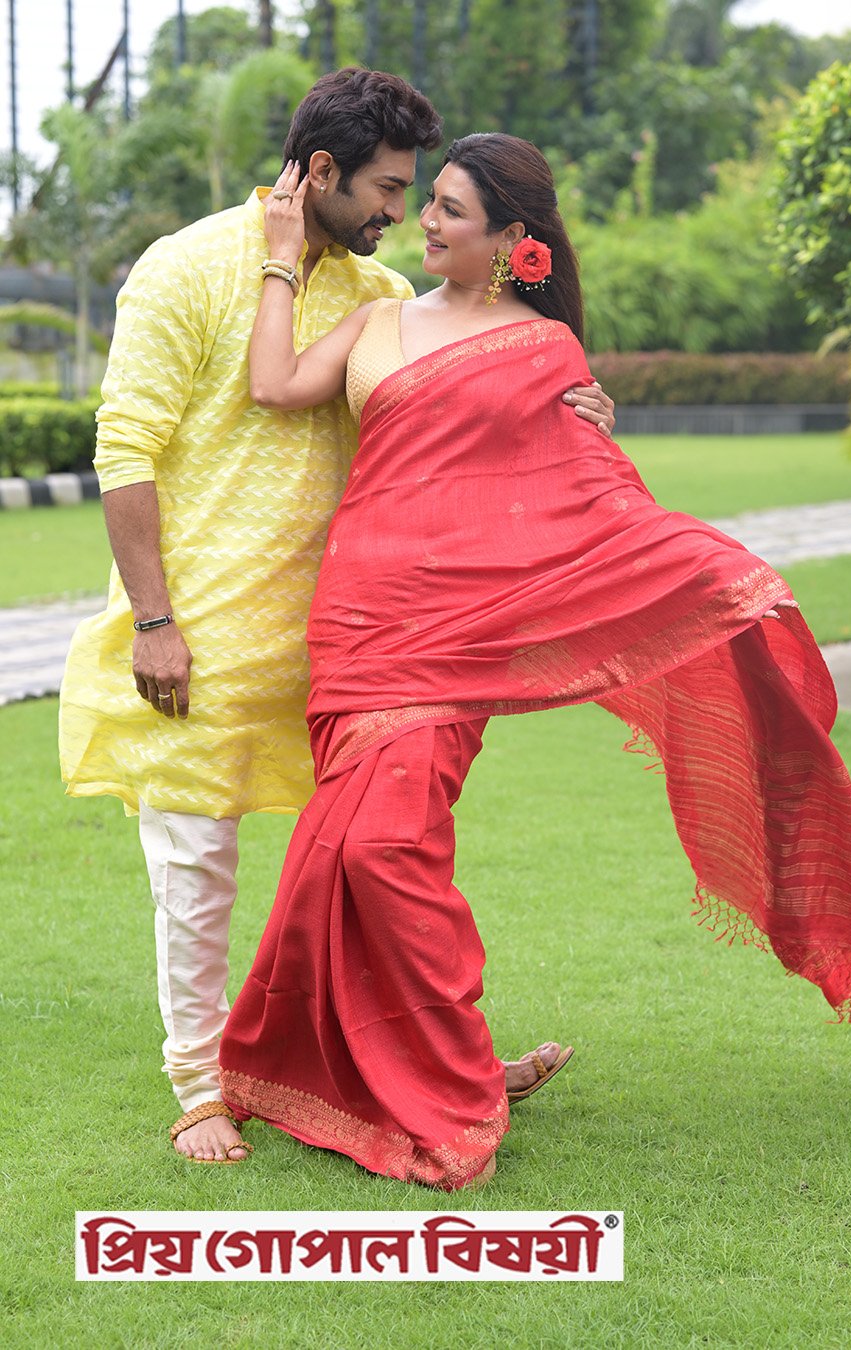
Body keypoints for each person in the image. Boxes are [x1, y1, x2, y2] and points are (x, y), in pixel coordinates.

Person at [218, 134, 851, 1190]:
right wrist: (277, 253)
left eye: (450, 210)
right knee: (343, 853)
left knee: (381, 849)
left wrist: (719, 579)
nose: (425, 221)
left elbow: (589, 499)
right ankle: (445, 1072)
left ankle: (447, 1078)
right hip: (358, 619)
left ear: (509, 239)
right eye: (428, 201)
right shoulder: (380, 319)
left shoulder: (544, 349)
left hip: (462, 634)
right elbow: (272, 384)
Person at [58, 70, 614, 1165]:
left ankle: (438, 1064)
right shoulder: (184, 267)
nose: (401, 211)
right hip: (205, 634)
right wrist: (155, 621)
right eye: (389, 188)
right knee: (196, 869)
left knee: (386, 865)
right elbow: (125, 450)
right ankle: (201, 1085)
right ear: (321, 171)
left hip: (357, 643)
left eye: (419, 194)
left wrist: (576, 419)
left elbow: (452, 446)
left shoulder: (382, 291)